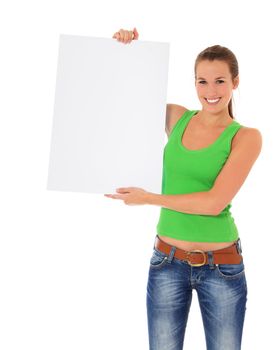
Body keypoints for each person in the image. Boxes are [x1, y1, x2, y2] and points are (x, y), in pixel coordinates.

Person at [105, 28, 262, 350]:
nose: (211, 90)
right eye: (202, 81)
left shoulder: (246, 137)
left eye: (220, 80)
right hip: (166, 262)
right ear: (194, 83)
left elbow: (214, 202)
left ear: (236, 82)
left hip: (222, 267)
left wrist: (149, 198)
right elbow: (128, 100)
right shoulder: (177, 118)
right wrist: (129, 49)